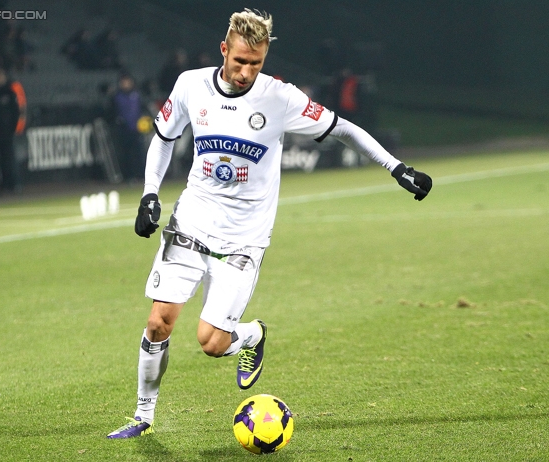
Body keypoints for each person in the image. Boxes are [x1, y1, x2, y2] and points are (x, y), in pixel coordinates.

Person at [106, 9, 432, 439]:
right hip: (193, 219)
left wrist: (396, 168)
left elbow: (344, 129)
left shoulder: (280, 98)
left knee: (211, 342)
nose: (246, 72)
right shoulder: (190, 85)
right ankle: (143, 417)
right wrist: (150, 194)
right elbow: (164, 139)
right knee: (158, 322)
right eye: (240, 61)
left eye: (255, 64)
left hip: (243, 238)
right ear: (224, 49)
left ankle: (252, 335)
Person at [111, 73, 145, 182]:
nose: (126, 84)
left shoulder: (137, 95)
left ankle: (140, 175)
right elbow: (111, 113)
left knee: (139, 152)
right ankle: (128, 176)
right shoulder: (116, 97)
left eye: (128, 81)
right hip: (123, 130)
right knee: (125, 154)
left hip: (137, 129)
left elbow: (142, 109)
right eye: (124, 82)